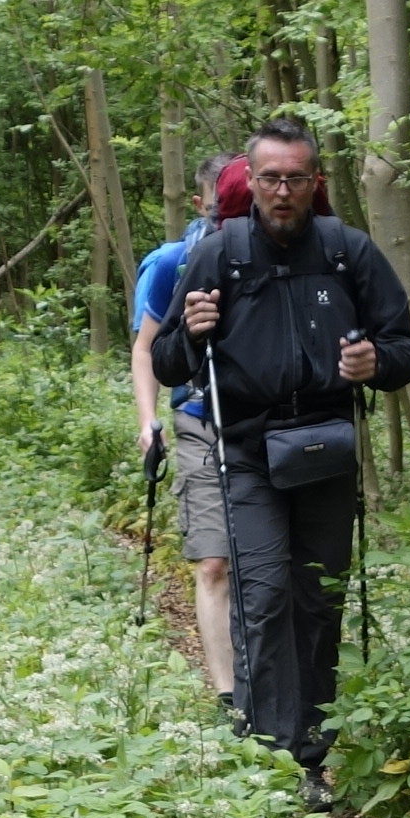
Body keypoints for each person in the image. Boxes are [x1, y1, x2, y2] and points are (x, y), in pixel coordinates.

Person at [152, 116, 410, 811]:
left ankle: (310, 752)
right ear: (251, 180)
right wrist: (194, 331)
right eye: (270, 177)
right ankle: (273, 755)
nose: (282, 191)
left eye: (295, 178)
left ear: (314, 181)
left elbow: (406, 352)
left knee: (318, 600)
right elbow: (168, 360)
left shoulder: (346, 251)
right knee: (264, 593)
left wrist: (374, 362)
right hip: (246, 450)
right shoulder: (221, 253)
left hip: (327, 449)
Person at [132, 156, 243, 714]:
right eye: (216, 206)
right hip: (198, 417)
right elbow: (145, 348)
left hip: (262, 424)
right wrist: (147, 420)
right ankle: (228, 697)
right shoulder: (171, 263)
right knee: (214, 561)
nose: (226, 215)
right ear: (199, 203)